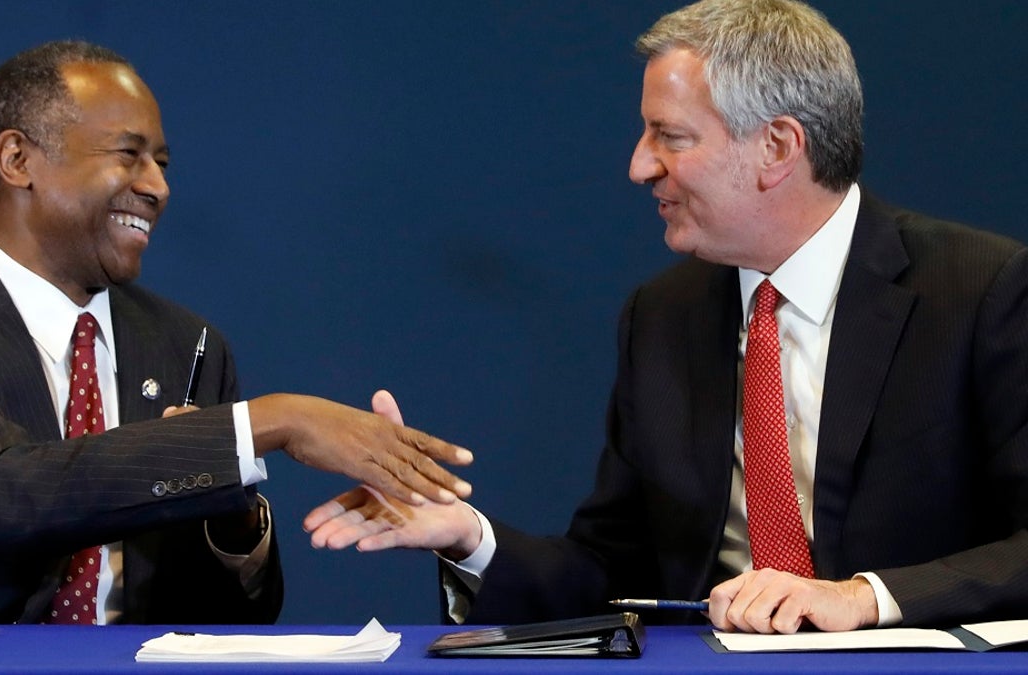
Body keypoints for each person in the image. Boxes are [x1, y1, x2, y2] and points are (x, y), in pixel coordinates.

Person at [304, 0, 1028, 635]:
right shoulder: (663, 316)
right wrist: (471, 538)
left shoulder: (981, 291)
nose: (638, 166)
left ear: (776, 147)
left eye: (669, 136)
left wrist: (863, 597)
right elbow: (611, 573)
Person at [0, 40, 473, 625]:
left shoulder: (188, 344)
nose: (158, 187)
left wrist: (233, 512)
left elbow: (238, 616)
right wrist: (270, 423)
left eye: (162, 163)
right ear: (18, 158)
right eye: (129, 155)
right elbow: (1, 494)